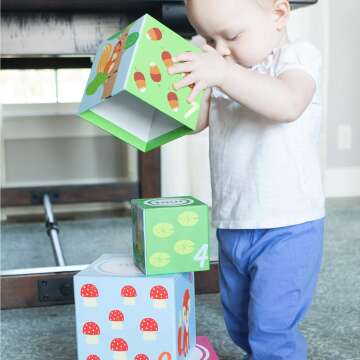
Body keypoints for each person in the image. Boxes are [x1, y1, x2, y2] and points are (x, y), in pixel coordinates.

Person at [168, 0, 325, 359]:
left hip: (289, 225)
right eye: (209, 38)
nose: (220, 50)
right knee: (240, 323)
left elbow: (287, 104)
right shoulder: (226, 68)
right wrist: (182, 87)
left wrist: (221, 74)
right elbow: (196, 122)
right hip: (234, 221)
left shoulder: (296, 59)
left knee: (271, 329)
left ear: (278, 15)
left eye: (232, 35)